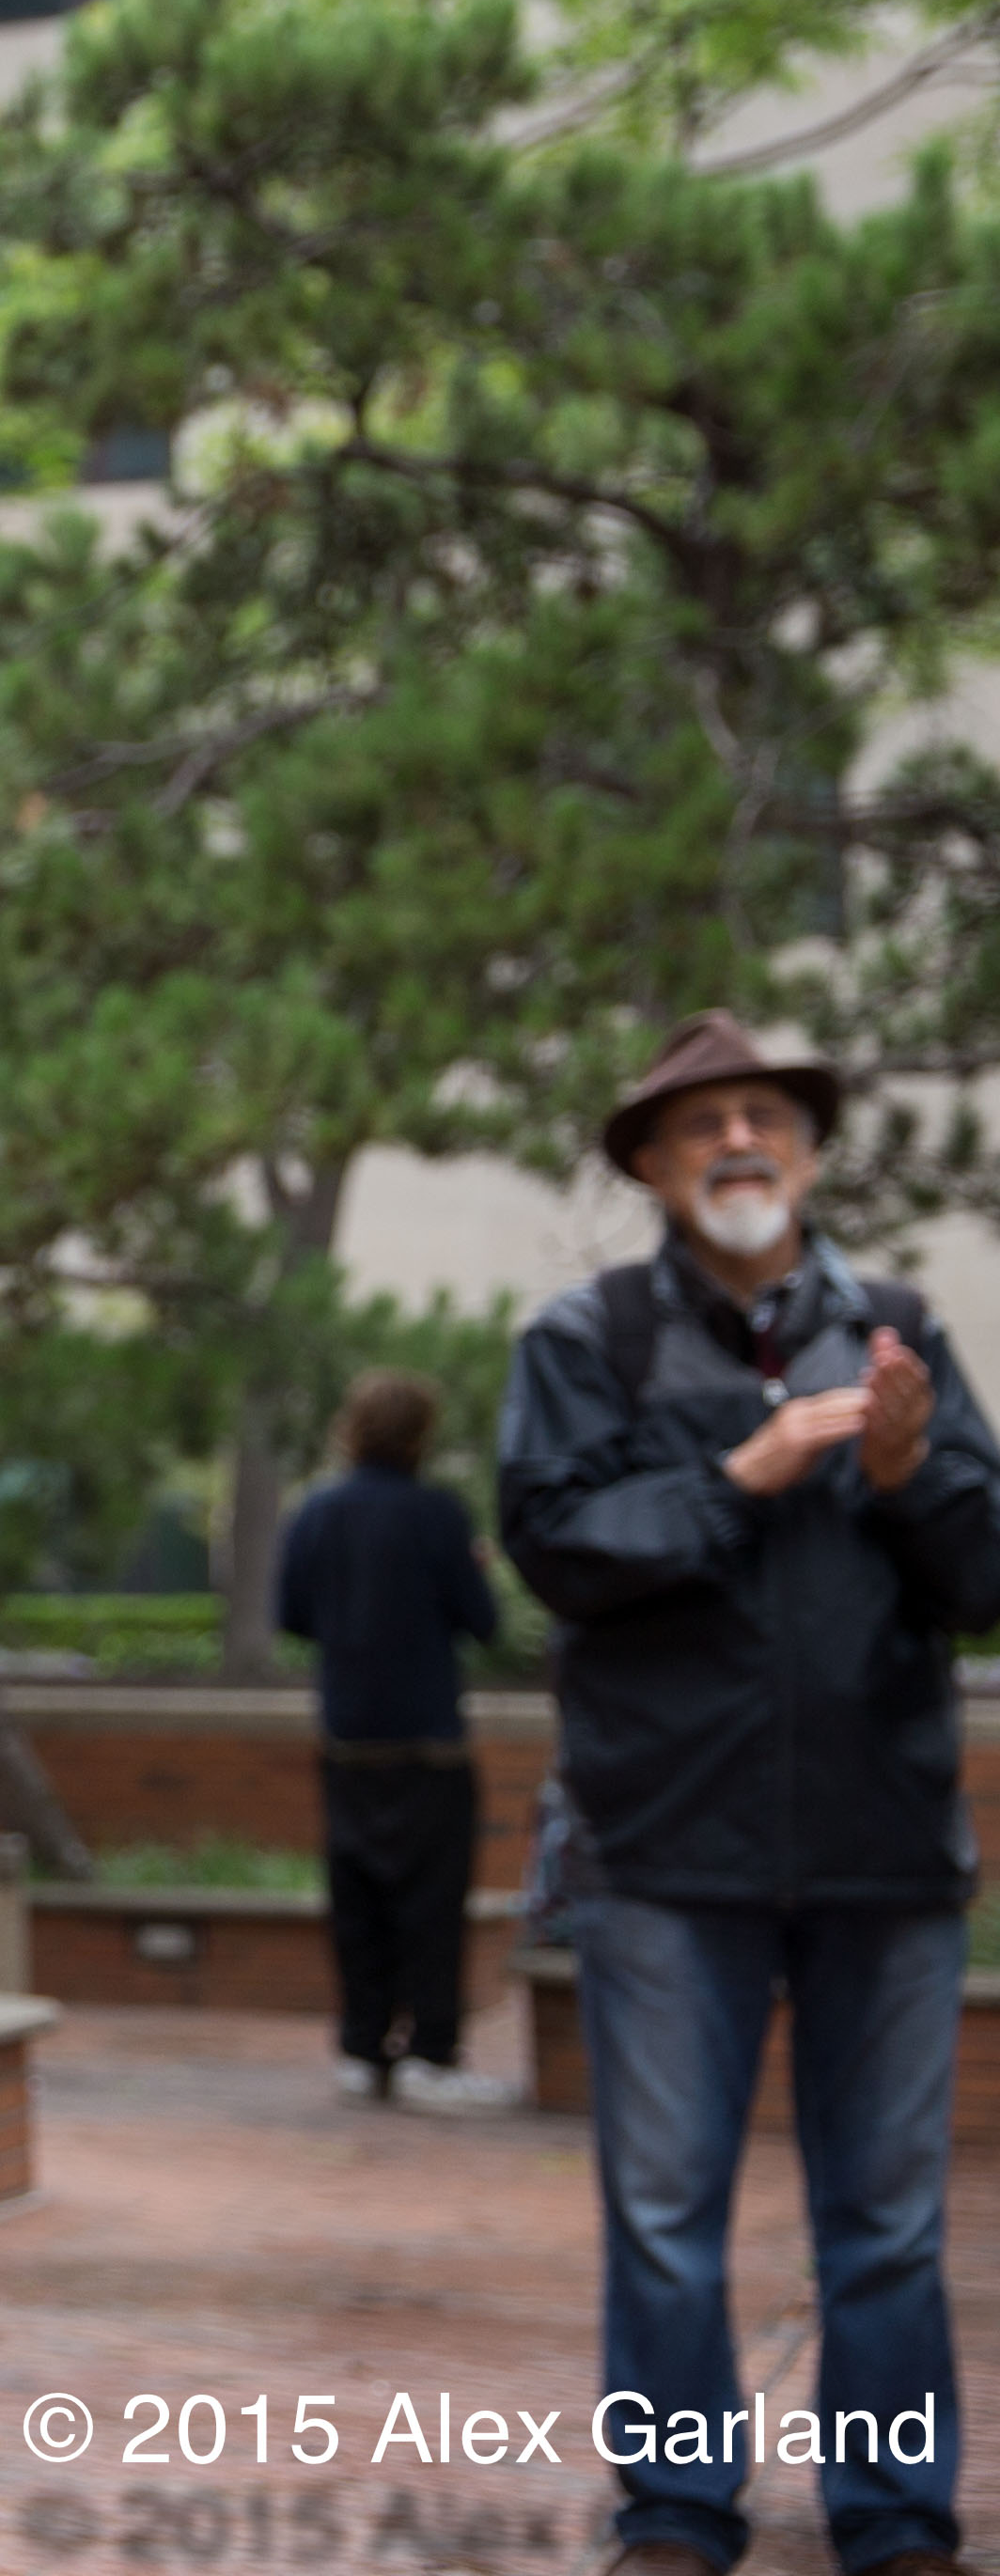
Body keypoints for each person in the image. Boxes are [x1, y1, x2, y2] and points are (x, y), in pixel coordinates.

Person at [500, 1012, 1000, 2576]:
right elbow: (557, 1548)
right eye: (701, 1122)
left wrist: (909, 1478)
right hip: (664, 1852)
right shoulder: (584, 1337)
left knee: (887, 2224)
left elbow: (985, 1576)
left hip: (881, 1848)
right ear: (651, 1165)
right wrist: (740, 1475)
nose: (737, 1141)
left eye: (765, 1117)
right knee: (664, 2216)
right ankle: (674, 2513)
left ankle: (894, 2518)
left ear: (808, 1152)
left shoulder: (898, 1330)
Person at [274, 1369, 512, 2112]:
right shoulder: (437, 1514)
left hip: (348, 1734)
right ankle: (430, 2054)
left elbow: (291, 1616)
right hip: (427, 1738)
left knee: (356, 1895)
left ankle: (361, 2047)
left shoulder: (316, 1512)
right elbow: (484, 1623)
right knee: (433, 1900)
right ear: (421, 1435)